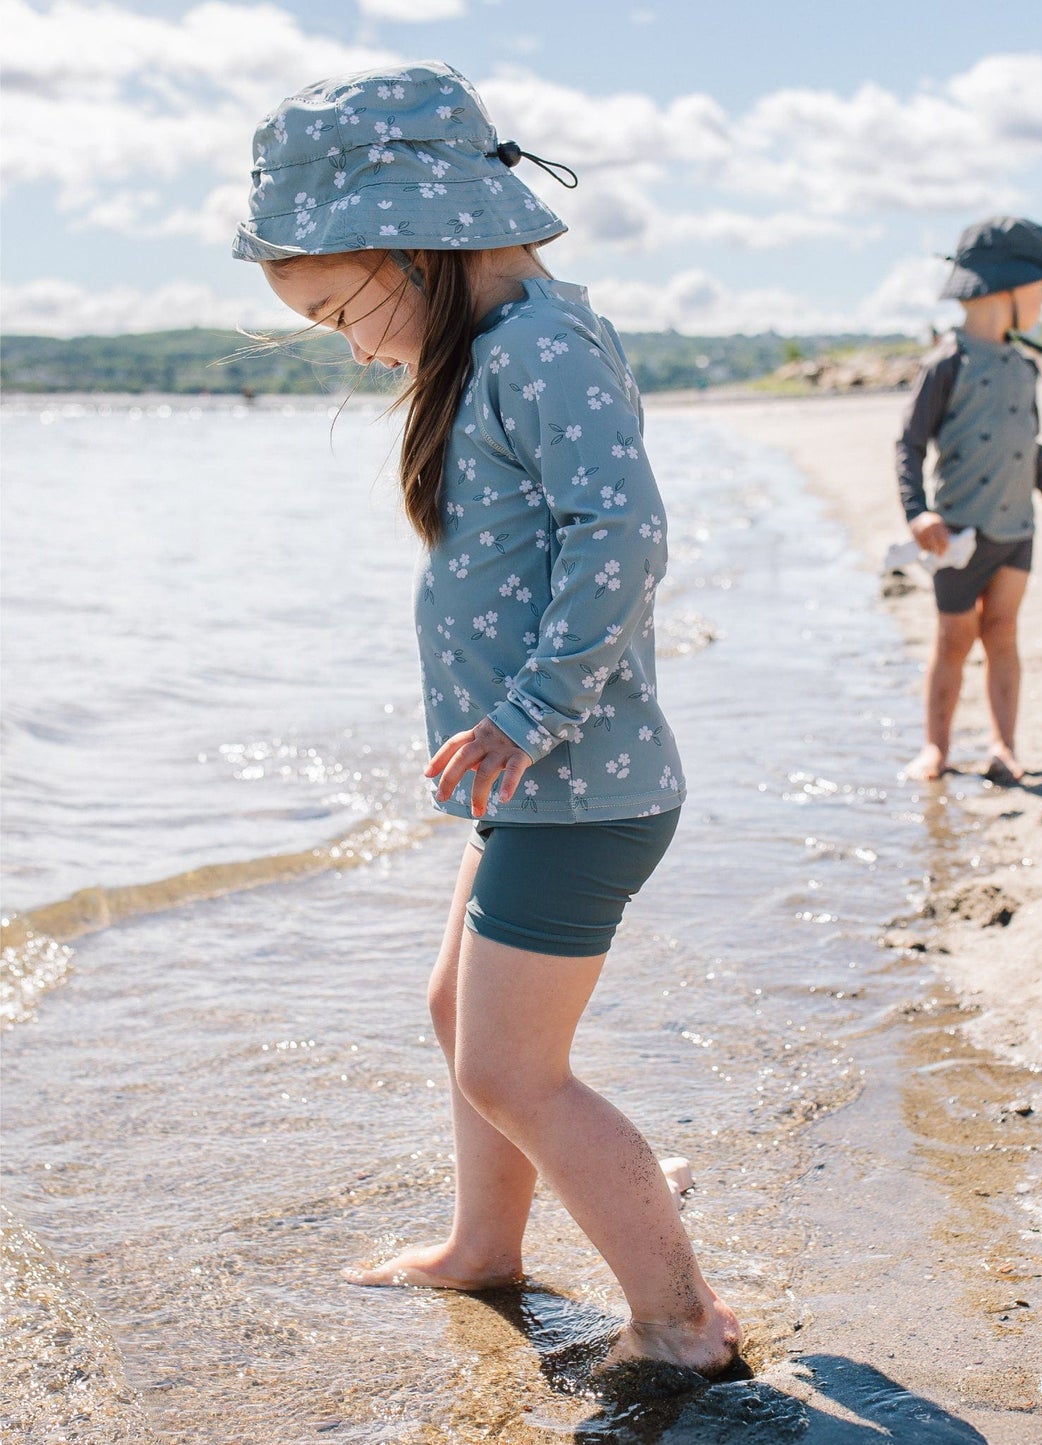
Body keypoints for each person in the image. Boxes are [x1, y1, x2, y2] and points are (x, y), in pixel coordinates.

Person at [233, 61, 740, 1378]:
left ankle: (680, 1323)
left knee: (518, 1068)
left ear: (411, 245)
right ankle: (483, 1244)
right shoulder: (512, 349)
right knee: (464, 1018)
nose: (351, 344)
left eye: (341, 309)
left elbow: (621, 535)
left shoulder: (541, 349)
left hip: (580, 781)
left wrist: (528, 709)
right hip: (543, 781)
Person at [895, 216, 1042, 784]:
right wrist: (917, 512)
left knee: (1002, 632)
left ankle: (1004, 746)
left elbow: (1033, 456)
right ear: (1005, 288)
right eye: (1041, 293)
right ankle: (936, 749)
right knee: (953, 639)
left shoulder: (1024, 367)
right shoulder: (947, 364)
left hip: (1016, 530)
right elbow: (909, 443)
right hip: (959, 534)